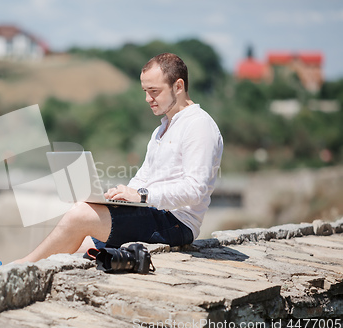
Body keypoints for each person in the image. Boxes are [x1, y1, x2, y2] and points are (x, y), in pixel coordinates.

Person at [14, 53, 223, 264]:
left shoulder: (198, 125)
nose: (147, 98)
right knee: (79, 235)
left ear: (178, 86)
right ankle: (26, 267)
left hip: (176, 224)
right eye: (145, 91)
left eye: (154, 91)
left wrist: (141, 196)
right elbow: (145, 178)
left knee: (81, 216)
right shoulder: (162, 130)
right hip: (153, 214)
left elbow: (195, 190)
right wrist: (119, 198)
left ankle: (18, 267)